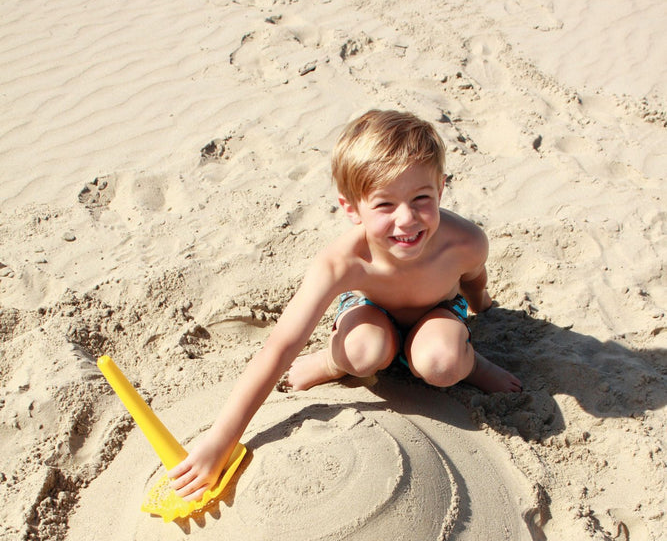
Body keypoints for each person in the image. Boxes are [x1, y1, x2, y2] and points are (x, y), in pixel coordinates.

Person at [170, 109, 522, 501]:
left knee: (442, 363)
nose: (406, 220)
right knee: (362, 351)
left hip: (437, 314)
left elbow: (474, 278)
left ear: (440, 188)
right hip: (372, 313)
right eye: (384, 205)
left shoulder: (465, 241)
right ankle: (332, 362)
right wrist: (221, 440)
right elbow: (282, 344)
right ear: (352, 208)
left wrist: (483, 305)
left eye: (421, 198)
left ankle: (474, 364)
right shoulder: (341, 261)